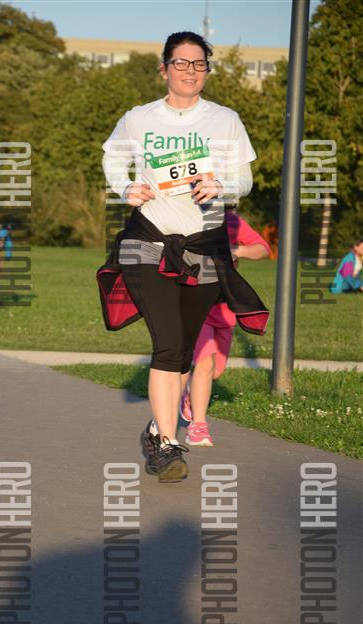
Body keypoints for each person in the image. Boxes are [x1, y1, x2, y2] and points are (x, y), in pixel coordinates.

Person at [100, 31, 268, 482]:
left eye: (199, 64)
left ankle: (157, 429)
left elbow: (245, 179)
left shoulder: (225, 120)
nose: (190, 71)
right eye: (181, 63)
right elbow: (112, 159)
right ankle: (168, 446)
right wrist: (125, 187)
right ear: (164, 68)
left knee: (182, 352)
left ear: (206, 70)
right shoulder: (139, 119)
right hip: (148, 243)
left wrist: (222, 186)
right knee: (169, 341)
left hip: (204, 247)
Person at [180, 210, 270, 445]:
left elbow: (263, 249)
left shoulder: (230, 220)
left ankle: (189, 395)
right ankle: (198, 426)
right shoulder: (187, 216)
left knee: (215, 371)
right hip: (196, 300)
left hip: (224, 305)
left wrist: (237, 250)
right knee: (205, 362)